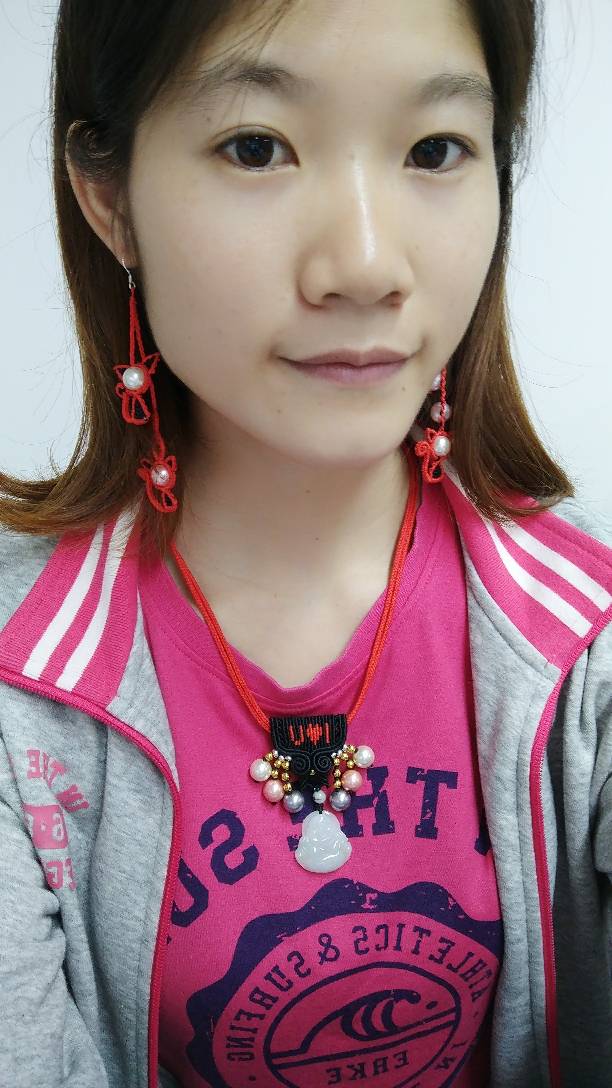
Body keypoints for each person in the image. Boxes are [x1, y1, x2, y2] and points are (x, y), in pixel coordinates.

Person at [0, 1, 610, 1086]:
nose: (365, 267)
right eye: (256, 147)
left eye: (436, 149)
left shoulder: (588, 639)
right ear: (109, 198)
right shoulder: (19, 696)